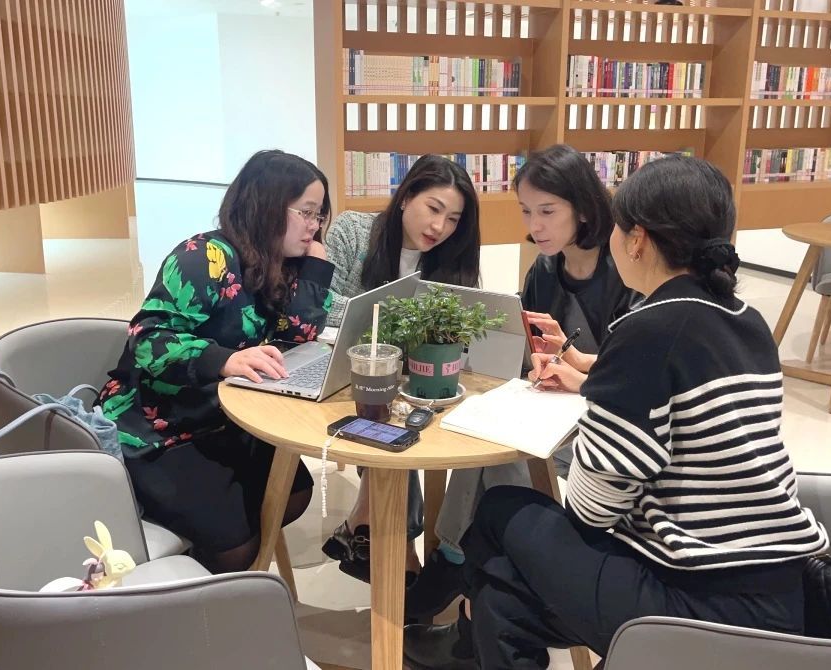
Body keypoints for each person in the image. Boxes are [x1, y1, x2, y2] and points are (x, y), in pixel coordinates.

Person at [403, 155, 830, 669]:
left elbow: (593, 508)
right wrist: (600, 376)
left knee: (500, 512)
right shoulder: (746, 320)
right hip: (778, 591)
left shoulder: (649, 328)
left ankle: (459, 612)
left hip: (696, 596)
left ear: (637, 240)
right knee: (503, 595)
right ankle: (472, 629)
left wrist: (596, 410)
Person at [405, 144, 634, 618]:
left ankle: (462, 567)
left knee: (505, 458)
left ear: (583, 207)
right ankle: (473, 575)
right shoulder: (545, 271)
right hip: (557, 407)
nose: (535, 226)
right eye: (527, 211)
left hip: (607, 419)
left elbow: (632, 370)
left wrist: (575, 370)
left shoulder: (625, 270)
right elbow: (534, 353)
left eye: (547, 211)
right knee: (485, 429)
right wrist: (538, 367)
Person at [98, 150, 335, 574]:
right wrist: (224, 361)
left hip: (226, 417)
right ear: (266, 205)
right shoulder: (202, 257)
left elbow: (297, 336)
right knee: (235, 545)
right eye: (306, 212)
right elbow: (148, 340)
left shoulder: (283, 263)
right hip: (159, 426)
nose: (314, 226)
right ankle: (200, 582)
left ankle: (222, 566)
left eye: (319, 215)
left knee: (295, 495)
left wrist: (315, 271)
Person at [321, 154, 481, 582]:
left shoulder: (451, 259)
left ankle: (366, 524)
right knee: (387, 408)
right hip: (350, 376)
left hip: (420, 380)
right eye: (434, 208)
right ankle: (398, 546)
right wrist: (402, 322)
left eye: (453, 219)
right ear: (407, 195)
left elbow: (461, 330)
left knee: (408, 414)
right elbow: (321, 304)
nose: (439, 227)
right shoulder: (354, 231)